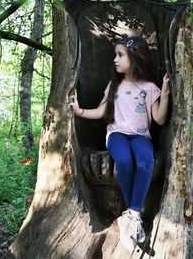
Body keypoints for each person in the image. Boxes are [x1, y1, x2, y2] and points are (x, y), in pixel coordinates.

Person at [69, 36, 170, 251]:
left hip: (141, 137)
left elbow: (160, 119)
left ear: (135, 57)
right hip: (117, 135)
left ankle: (131, 215)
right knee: (124, 161)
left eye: (120, 55)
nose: (115, 59)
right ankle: (134, 217)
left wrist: (166, 94)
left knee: (145, 163)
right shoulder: (114, 85)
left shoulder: (150, 88)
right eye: (116, 54)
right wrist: (79, 111)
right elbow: (101, 111)